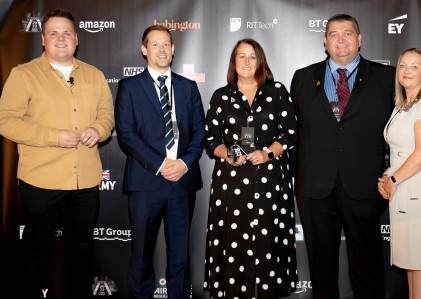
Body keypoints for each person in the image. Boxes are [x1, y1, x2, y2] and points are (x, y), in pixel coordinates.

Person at [0, 8, 114, 299]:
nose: (61, 38)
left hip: (85, 183)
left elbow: (106, 116)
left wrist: (99, 130)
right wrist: (54, 138)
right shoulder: (23, 74)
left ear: (76, 39)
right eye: (54, 33)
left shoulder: (94, 75)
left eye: (67, 33)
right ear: (43, 40)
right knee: (36, 254)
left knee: (81, 254)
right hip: (41, 182)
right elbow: (6, 121)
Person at [290, 14, 396, 299]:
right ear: (324, 41)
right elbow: (292, 132)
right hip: (314, 187)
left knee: (367, 265)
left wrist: (394, 171)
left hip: (364, 185)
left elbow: (401, 131)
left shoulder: (387, 77)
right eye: (334, 34)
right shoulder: (302, 78)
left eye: (347, 33)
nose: (341, 39)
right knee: (320, 267)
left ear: (359, 40)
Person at [203, 38, 298, 299]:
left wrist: (267, 153)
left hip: (270, 181)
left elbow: (290, 133)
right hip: (231, 183)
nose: (247, 62)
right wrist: (228, 154)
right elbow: (210, 139)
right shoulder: (221, 96)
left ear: (260, 61)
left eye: (252, 57)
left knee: (268, 240)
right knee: (235, 243)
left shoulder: (277, 91)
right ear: (234, 61)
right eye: (241, 56)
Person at [114, 24, 204, 299]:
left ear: (174, 49)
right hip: (145, 182)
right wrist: (161, 164)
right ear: (144, 50)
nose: (162, 49)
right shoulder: (129, 87)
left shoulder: (188, 87)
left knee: (180, 253)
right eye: (155, 44)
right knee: (141, 252)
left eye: (166, 44)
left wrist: (184, 163)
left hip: (182, 181)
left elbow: (200, 130)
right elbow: (126, 135)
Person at [378, 48, 421, 299]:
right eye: (403, 66)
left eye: (414, 67)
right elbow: (401, 152)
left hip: (419, 187)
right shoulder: (403, 105)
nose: (407, 71)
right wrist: (387, 177)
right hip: (402, 186)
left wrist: (393, 179)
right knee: (410, 258)